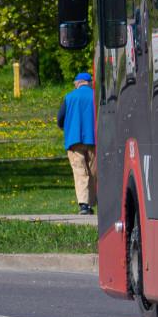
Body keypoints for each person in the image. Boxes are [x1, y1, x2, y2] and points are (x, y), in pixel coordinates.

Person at [57, 71, 97, 215]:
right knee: (93, 172)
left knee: (80, 171)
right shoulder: (96, 96)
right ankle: (92, 202)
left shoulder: (69, 97)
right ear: (89, 83)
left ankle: (84, 205)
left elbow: (60, 118)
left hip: (74, 140)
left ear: (78, 83)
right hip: (94, 139)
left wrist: (65, 127)